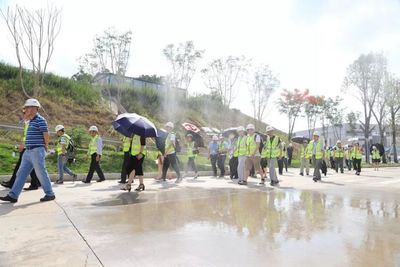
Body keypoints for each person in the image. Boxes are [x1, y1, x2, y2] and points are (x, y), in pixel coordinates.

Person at [1, 99, 55, 203]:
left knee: (41, 173)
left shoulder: (41, 120)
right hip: (28, 151)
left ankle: (50, 194)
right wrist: (25, 114)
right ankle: (13, 195)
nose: (27, 109)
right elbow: (24, 122)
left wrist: (45, 146)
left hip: (37, 150)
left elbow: (46, 134)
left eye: (30, 107)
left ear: (36, 109)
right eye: (27, 108)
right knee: (21, 173)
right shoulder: (29, 121)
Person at [1, 108, 41, 191]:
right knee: (31, 167)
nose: (23, 115)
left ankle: (12, 184)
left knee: (19, 166)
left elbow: (30, 136)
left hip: (28, 147)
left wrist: (23, 145)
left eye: (25, 113)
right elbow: (25, 136)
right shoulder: (27, 123)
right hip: (28, 147)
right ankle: (36, 183)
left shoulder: (31, 122)